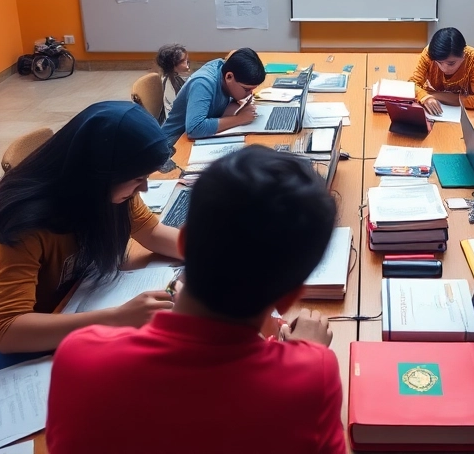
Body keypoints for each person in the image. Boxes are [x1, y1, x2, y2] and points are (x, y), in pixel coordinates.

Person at [46, 146, 343, 454]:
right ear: (291, 295)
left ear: (184, 242)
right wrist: (303, 352)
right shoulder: (311, 376)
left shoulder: (79, 358)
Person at [0, 102, 181, 368]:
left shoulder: (110, 194)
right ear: (99, 173)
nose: (143, 187)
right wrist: (116, 318)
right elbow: (7, 330)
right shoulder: (28, 222)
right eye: (137, 178)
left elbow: (150, 231)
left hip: (68, 303)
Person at [160, 47, 266, 144]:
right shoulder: (202, 83)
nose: (250, 93)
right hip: (172, 144)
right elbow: (195, 129)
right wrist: (240, 118)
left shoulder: (223, 69)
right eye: (247, 89)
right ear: (229, 77)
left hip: (195, 140)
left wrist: (236, 103)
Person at [409, 27, 474, 113]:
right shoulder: (429, 54)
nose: (444, 68)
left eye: (451, 63)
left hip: (465, 113)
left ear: (463, 55)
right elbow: (412, 85)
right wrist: (425, 98)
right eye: (439, 62)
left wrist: (432, 95)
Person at [155, 43, 190, 118]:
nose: (187, 64)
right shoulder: (170, 85)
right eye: (183, 61)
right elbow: (177, 113)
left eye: (187, 59)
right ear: (173, 66)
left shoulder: (180, 76)